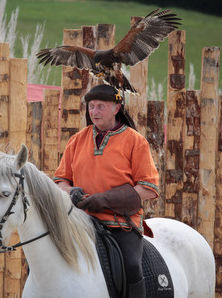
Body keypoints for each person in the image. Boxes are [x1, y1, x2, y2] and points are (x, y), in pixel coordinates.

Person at [53, 84, 159, 298]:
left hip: (121, 223)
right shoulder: (76, 140)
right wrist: (71, 191)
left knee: (131, 266)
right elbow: (60, 182)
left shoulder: (135, 141)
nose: (94, 112)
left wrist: (106, 199)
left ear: (116, 108)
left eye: (101, 106)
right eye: (91, 106)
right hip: (79, 221)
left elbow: (148, 188)